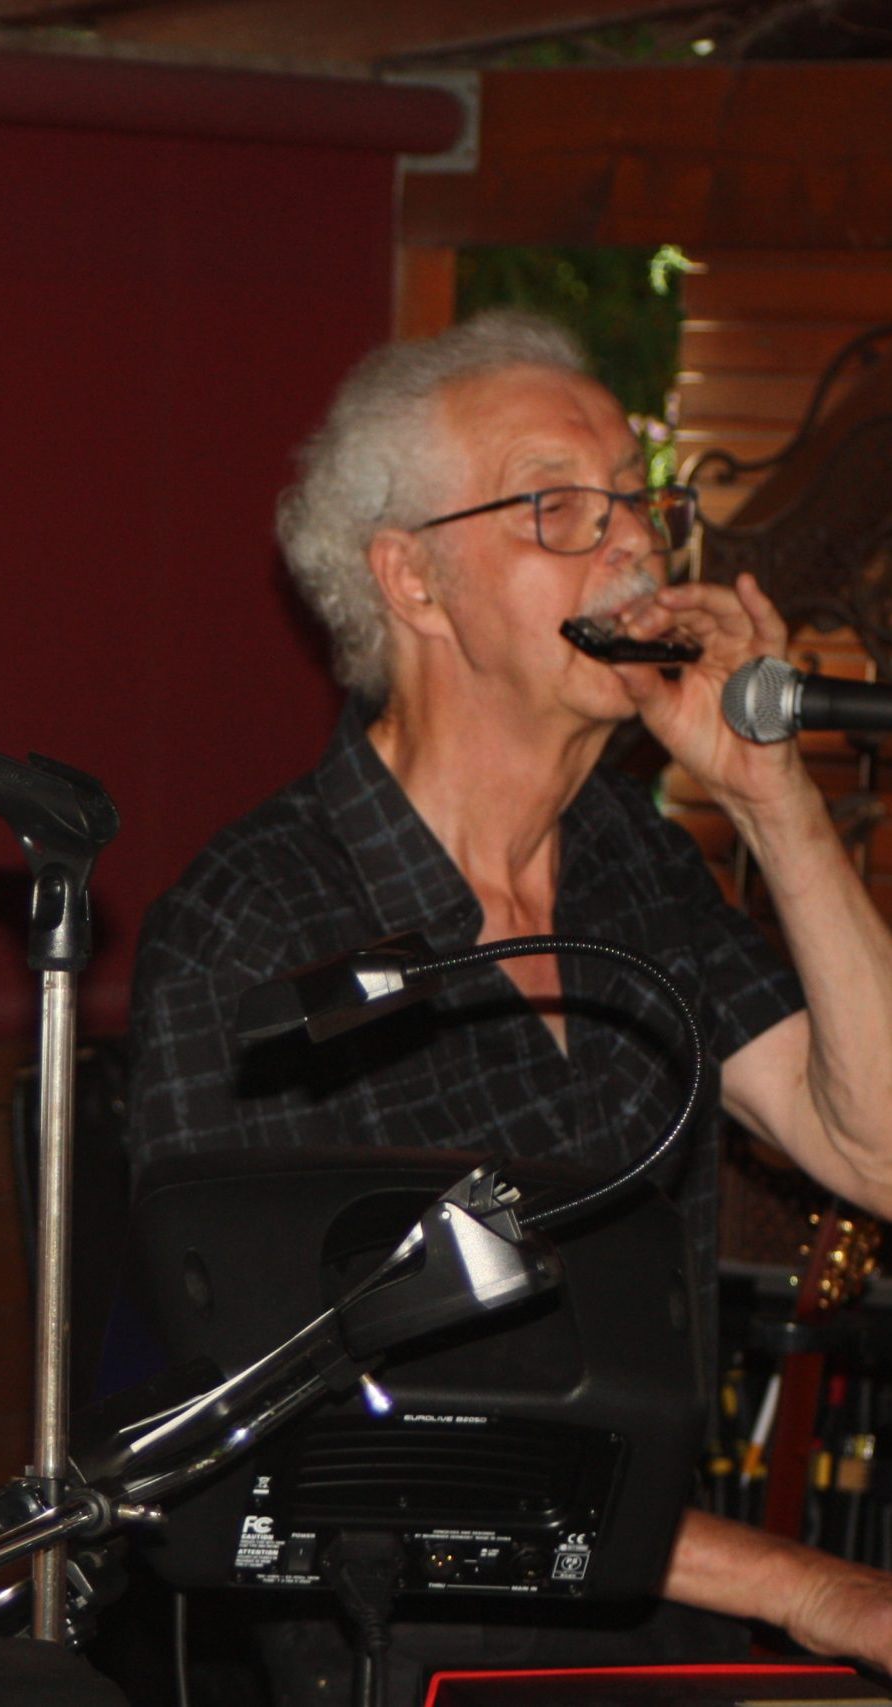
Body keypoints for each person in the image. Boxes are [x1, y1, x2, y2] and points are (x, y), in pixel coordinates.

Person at [124, 310, 892, 1701]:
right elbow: (378, 1437)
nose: (637, 554)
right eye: (559, 509)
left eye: (642, 508)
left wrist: (775, 808)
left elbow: (878, 1150)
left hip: (666, 1624)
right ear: (414, 582)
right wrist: (811, 1587)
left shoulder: (633, 863)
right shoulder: (262, 923)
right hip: (414, 1649)